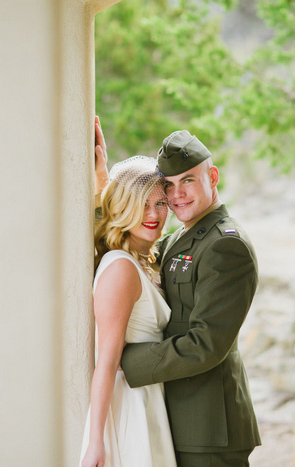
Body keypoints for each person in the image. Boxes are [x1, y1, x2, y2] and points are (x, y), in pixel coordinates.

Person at [94, 117, 261, 466]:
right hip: (174, 415)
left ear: (212, 178)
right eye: (168, 186)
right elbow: (123, 236)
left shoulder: (225, 245)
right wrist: (101, 186)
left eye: (188, 180)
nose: (176, 195)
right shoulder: (174, 241)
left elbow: (206, 344)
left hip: (209, 424)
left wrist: (124, 361)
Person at [80, 154, 177, 467]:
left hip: (150, 397)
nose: (153, 214)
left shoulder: (142, 259)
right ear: (124, 207)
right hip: (131, 405)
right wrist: (96, 441)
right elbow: (106, 362)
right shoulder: (121, 269)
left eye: (161, 203)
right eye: (142, 204)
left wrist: (100, 176)